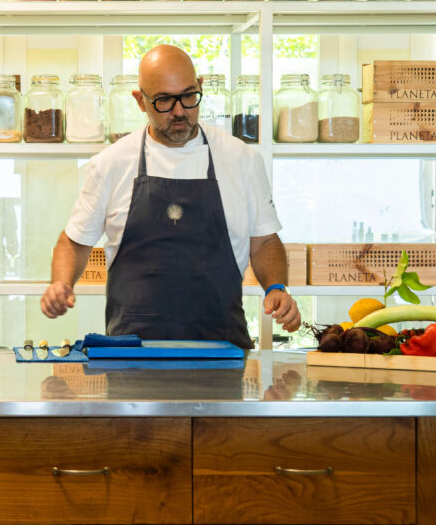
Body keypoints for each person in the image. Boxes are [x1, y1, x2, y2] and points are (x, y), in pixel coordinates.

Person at [39, 44, 300, 348]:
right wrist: (61, 283)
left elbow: (265, 241)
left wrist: (277, 287)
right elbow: (74, 241)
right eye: (164, 100)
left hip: (222, 351)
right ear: (140, 101)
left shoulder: (241, 159)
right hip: (131, 357)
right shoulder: (111, 163)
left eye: (189, 96)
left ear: (200, 86)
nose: (179, 111)